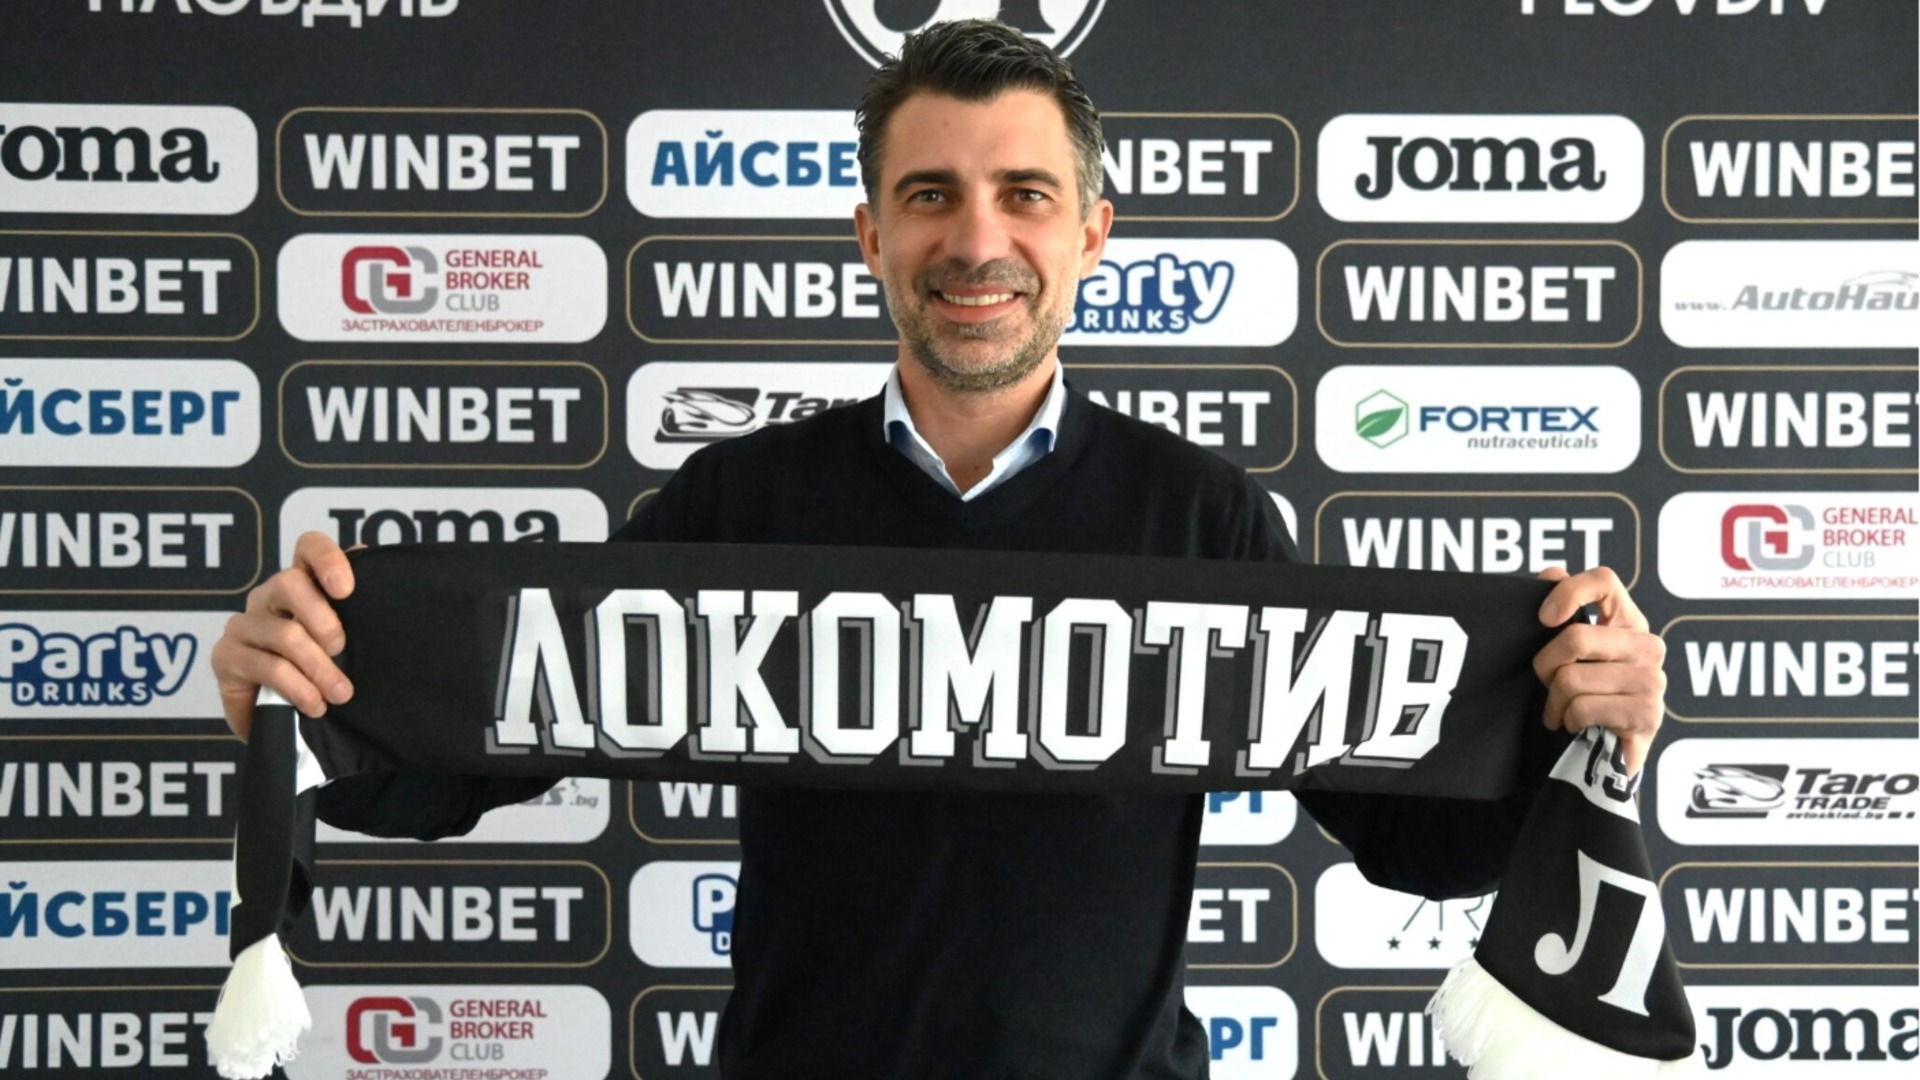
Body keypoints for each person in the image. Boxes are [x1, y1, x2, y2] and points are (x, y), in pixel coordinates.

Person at [212, 20, 1666, 1079]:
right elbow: (475, 750)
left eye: (1024, 195)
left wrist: (1572, 735)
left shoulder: (1202, 516)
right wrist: (307, 692)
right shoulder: (739, 503)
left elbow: (1410, 835)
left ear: (1091, 233)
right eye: (930, 196)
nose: (978, 242)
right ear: (870, 235)